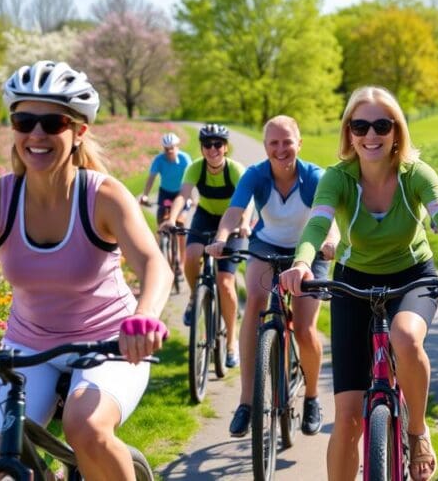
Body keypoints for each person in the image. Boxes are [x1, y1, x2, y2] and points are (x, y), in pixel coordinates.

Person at [0, 60, 171, 480]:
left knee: (85, 427)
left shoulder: (102, 195)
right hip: (27, 347)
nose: (36, 134)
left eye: (52, 122)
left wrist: (144, 317)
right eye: (23, 120)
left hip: (109, 343)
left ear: (78, 132)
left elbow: (152, 263)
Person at [280, 86, 438, 481]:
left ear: (396, 131)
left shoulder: (415, 174)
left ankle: (418, 429)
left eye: (381, 125)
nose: (371, 135)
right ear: (349, 133)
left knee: (406, 338)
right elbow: (318, 223)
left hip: (412, 275)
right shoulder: (337, 178)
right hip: (354, 283)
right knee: (348, 419)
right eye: (360, 125)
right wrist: (301, 263)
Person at [206, 115, 338, 437]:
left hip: (310, 250)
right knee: (254, 302)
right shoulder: (255, 175)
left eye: (287, 142)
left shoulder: (314, 176)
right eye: (274, 143)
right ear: (265, 146)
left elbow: (328, 217)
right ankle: (246, 403)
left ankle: (311, 399)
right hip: (266, 245)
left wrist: (331, 241)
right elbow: (235, 211)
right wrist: (222, 238)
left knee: (305, 329)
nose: (281, 149)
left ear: (299, 143)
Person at [162, 123, 247, 368]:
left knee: (226, 283)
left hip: (234, 221)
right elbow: (183, 195)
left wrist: (244, 223)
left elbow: (247, 200)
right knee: (190, 255)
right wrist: (171, 218)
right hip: (205, 217)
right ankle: (194, 297)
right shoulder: (195, 168)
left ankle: (231, 343)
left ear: (225, 147)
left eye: (217, 144)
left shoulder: (235, 170)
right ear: (201, 147)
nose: (212, 149)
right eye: (207, 144)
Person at [140, 132, 192, 276]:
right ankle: (164, 254)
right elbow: (151, 178)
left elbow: (192, 179)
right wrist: (144, 195)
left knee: (180, 225)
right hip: (165, 193)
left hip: (181, 193)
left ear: (177, 147)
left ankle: (181, 262)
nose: (169, 151)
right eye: (166, 148)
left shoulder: (185, 159)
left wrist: (192, 197)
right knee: (162, 224)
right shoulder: (159, 160)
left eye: (172, 148)